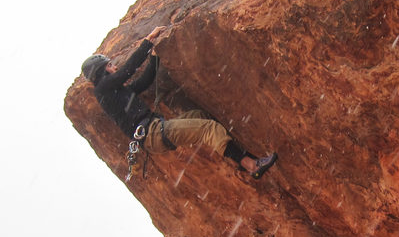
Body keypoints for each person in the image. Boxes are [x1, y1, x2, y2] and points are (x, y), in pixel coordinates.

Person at [81, 26, 277, 179]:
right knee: (208, 128)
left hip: (155, 132)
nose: (114, 67)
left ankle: (240, 157)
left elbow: (143, 81)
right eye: (109, 65)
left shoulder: (117, 93)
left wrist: (155, 59)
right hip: (153, 133)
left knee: (200, 117)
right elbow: (127, 71)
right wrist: (147, 43)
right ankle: (252, 166)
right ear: (101, 72)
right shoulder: (103, 90)